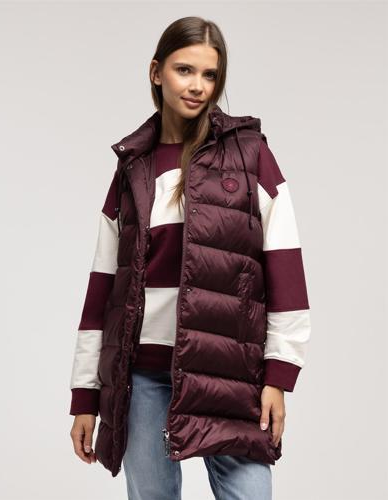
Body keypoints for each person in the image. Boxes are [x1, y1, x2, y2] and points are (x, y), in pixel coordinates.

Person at [69, 16, 311, 500]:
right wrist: (85, 396)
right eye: (185, 70)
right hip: (141, 376)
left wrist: (279, 375)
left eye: (210, 75)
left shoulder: (249, 155)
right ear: (156, 72)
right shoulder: (133, 167)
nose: (198, 86)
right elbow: (102, 288)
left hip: (230, 375)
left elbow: (286, 269)